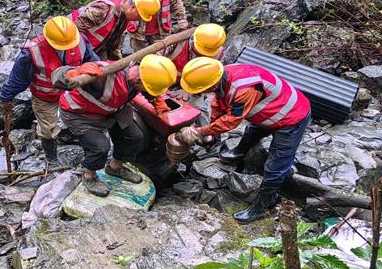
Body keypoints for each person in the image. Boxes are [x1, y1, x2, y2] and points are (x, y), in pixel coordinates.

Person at [177, 57, 311, 223]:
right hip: (268, 110)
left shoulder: (244, 89)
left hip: (292, 117)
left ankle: (262, 205)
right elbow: (219, 102)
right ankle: (239, 152)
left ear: (211, 84)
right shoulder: (221, 75)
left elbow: (232, 120)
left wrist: (200, 132)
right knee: (251, 132)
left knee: (276, 164)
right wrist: (213, 128)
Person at [54, 54, 177, 197]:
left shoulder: (140, 75)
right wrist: (72, 73)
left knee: (134, 136)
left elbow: (147, 88)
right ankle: (89, 176)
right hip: (79, 114)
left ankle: (115, 167)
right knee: (100, 147)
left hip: (111, 109)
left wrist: (157, 101)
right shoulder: (101, 75)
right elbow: (57, 75)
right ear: (138, 81)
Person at [0, 16, 101, 163]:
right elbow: (19, 79)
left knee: (85, 120)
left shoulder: (80, 41)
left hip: (74, 93)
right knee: (47, 128)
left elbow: (93, 62)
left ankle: (89, 151)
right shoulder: (32, 51)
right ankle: (51, 159)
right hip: (45, 97)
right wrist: (7, 96)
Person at [165, 23, 226, 125]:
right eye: (200, 52)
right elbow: (156, 62)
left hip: (194, 87)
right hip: (166, 80)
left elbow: (210, 80)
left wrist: (189, 91)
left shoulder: (219, 54)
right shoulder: (177, 42)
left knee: (199, 112)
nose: (202, 55)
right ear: (193, 40)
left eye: (207, 54)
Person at [69, 0, 161, 60]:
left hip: (91, 47)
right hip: (68, 42)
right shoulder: (104, 9)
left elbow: (113, 43)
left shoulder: (124, 16)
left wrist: (117, 64)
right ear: (132, 8)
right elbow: (74, 29)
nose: (139, 20)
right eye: (140, 17)